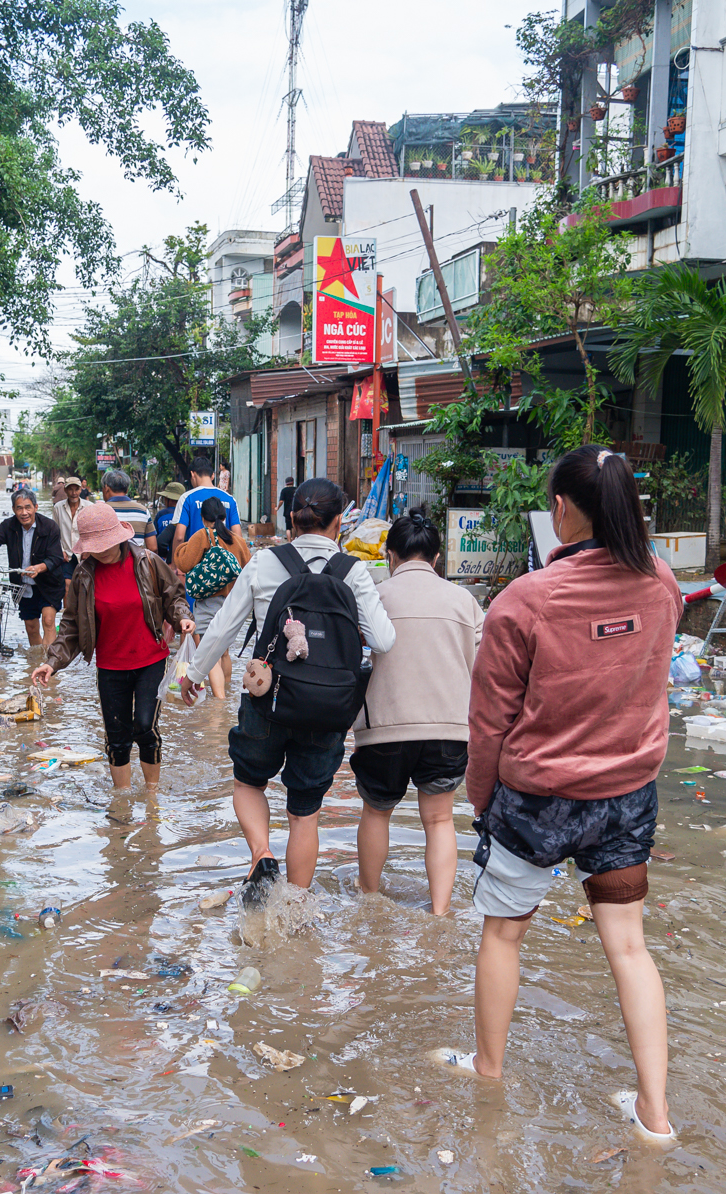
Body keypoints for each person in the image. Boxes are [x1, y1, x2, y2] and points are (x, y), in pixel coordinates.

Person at [438, 448, 682, 1148]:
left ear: (566, 510)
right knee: (630, 949)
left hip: (537, 797)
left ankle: (488, 1068)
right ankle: (655, 1115)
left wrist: (482, 800)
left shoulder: (526, 599)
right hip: (628, 793)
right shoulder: (663, 585)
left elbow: (488, 722)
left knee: (503, 933)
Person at [185, 478, 395, 906]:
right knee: (305, 814)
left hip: (269, 701)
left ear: (291, 519)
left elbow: (223, 626)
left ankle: (261, 855)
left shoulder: (264, 564)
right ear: (339, 522)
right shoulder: (353, 571)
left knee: (247, 783)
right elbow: (384, 641)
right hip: (329, 709)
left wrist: (193, 675)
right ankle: (295, 910)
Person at [351, 512, 482, 915]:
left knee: (377, 812)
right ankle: (440, 912)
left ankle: (369, 898)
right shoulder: (464, 601)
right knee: (440, 821)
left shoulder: (374, 597)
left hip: (383, 730)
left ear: (390, 555)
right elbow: (482, 667)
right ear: (437, 558)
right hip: (448, 729)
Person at [33, 503, 194, 790]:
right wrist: (52, 662)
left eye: (105, 544)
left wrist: (183, 619)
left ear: (120, 536)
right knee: (116, 736)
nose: (102, 550)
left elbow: (174, 597)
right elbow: (70, 625)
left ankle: (151, 797)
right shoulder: (84, 575)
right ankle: (122, 800)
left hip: (150, 660)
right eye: (95, 546)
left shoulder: (147, 561)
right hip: (110, 666)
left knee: (145, 726)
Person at [0, 488, 66, 646]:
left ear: (35, 507)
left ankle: (49, 664)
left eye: (28, 507)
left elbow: (56, 558)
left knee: (49, 621)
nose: (24, 513)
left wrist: (39, 568)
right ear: (13, 510)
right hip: (23, 585)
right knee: (31, 627)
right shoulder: (9, 526)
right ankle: (36, 661)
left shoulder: (50, 527)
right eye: (19, 508)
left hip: (49, 583)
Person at [173, 495, 252, 699]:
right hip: (233, 603)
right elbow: (249, 568)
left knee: (209, 654)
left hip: (209, 603)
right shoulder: (238, 541)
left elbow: (184, 562)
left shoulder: (203, 535)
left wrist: (181, 548)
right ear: (224, 516)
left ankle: (219, 703)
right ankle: (225, 692)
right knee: (224, 652)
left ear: (203, 518)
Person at [172, 454, 241, 549]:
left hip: (195, 560)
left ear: (192, 474)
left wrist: (177, 562)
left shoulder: (187, 498)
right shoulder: (230, 499)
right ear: (212, 476)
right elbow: (238, 537)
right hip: (224, 561)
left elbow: (179, 537)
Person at [102, 470, 155, 552]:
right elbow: (153, 548)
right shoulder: (143, 510)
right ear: (127, 490)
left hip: (107, 564)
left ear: (106, 489)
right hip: (136, 563)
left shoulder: (99, 511)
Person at [51, 477, 86, 570]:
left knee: (85, 583)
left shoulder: (89, 507)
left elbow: (94, 532)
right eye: (70, 489)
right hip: (66, 555)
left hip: (84, 555)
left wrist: (89, 551)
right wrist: (61, 551)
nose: (74, 493)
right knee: (67, 583)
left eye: (76, 489)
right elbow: (54, 532)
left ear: (81, 489)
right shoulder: (58, 507)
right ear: (65, 490)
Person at [153, 482, 186, 564]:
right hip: (182, 559)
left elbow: (155, 541)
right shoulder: (185, 515)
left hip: (163, 560)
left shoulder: (161, 515)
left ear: (168, 499)